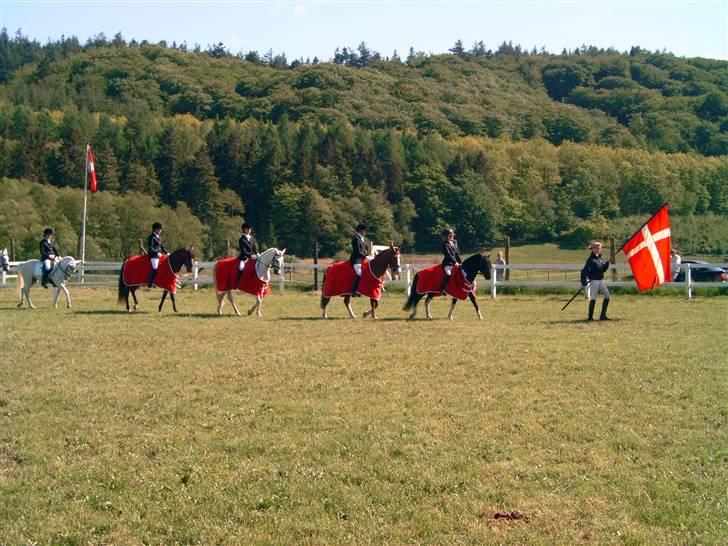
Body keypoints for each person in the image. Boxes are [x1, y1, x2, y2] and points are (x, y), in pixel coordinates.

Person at [580, 241, 611, 321]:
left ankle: (602, 316)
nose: (598, 249)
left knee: (607, 296)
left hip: (600, 280)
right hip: (594, 281)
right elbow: (584, 271)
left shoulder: (600, 258)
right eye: (596, 248)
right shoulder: (590, 260)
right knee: (593, 298)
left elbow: (603, 270)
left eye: (599, 248)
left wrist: (607, 263)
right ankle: (590, 317)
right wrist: (583, 282)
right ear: (592, 249)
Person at [440, 228, 461, 295]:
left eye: (452, 235)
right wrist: (455, 262)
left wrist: (460, 262)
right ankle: (443, 290)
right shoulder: (444, 244)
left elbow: (457, 253)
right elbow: (448, 255)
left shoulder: (455, 242)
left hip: (456, 262)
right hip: (448, 263)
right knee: (449, 274)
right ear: (446, 236)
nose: (452, 237)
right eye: (450, 235)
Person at [146, 222, 167, 288]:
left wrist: (167, 253)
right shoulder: (151, 237)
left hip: (159, 255)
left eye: (160, 229)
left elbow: (162, 247)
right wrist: (157, 253)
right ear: (155, 229)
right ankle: (150, 282)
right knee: (155, 268)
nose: (160, 231)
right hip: (153, 256)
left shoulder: (158, 237)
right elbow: (151, 248)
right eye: (159, 229)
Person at [350, 223, 368, 296]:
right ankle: (354, 291)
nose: (365, 232)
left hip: (361, 258)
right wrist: (365, 255)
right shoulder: (356, 238)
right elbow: (358, 251)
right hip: (356, 259)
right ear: (361, 230)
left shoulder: (361, 238)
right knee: (359, 273)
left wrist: (366, 253)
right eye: (364, 231)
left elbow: (363, 250)